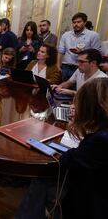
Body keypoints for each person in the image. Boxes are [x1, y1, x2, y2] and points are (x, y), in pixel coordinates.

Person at [16, 78, 108, 219]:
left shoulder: (100, 140)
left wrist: (75, 124)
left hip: (92, 201)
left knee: (43, 178)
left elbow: (67, 161)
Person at [58, 12, 101, 81]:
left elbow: (96, 54)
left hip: (82, 67)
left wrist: (82, 52)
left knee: (79, 89)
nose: (76, 24)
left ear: (85, 22)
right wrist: (58, 65)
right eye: (74, 22)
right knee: (64, 87)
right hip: (65, 66)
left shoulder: (93, 35)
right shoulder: (66, 35)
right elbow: (60, 51)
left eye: (79, 22)